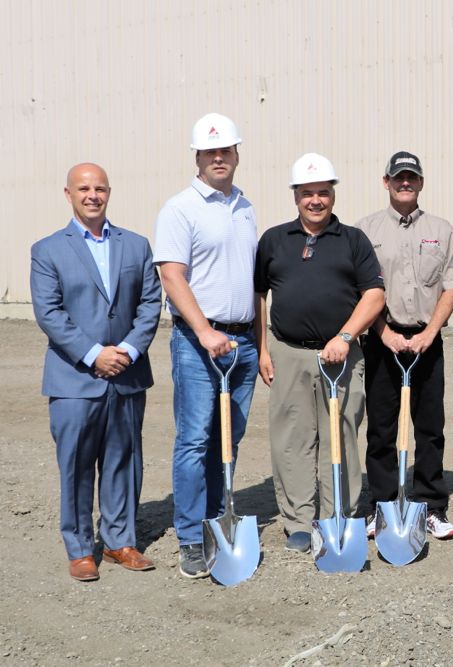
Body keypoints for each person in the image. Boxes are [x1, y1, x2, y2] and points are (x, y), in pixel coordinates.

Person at [30, 163, 161, 581]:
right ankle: (81, 547)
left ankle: (120, 540)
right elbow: (49, 313)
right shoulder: (48, 250)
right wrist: (92, 354)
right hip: (74, 379)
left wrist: (125, 350)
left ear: (109, 192)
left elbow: (150, 303)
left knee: (124, 460)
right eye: (83, 188)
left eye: (100, 188)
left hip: (126, 374)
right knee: (75, 464)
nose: (92, 195)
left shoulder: (136, 245)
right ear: (67, 194)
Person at [254, 153, 385, 552]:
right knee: (292, 439)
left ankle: (336, 514)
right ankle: (297, 519)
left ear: (333, 194)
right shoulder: (274, 240)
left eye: (323, 193)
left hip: (341, 356)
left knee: (340, 436)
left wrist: (345, 337)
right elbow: (259, 295)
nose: (316, 200)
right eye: (307, 193)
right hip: (289, 352)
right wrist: (263, 348)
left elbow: (375, 294)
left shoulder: (353, 240)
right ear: (296, 195)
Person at [154, 113, 260, 578]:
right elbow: (171, 275)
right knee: (196, 439)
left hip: (242, 342)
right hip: (201, 342)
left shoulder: (245, 206)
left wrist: (260, 341)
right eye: (210, 152)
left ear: (236, 154)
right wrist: (203, 331)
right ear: (197, 158)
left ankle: (219, 520)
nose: (219, 158)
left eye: (226, 151)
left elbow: (256, 283)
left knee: (228, 440)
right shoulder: (180, 208)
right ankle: (191, 537)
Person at [356, 151, 453, 540]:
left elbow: (451, 286)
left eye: (411, 177)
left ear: (420, 182)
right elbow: (361, 289)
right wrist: (383, 332)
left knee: (430, 427)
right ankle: (382, 506)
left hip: (425, 340)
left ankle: (432, 507)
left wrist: (430, 332)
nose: (405, 183)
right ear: (386, 181)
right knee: (381, 428)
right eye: (398, 177)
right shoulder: (365, 230)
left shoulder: (441, 229)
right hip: (382, 338)